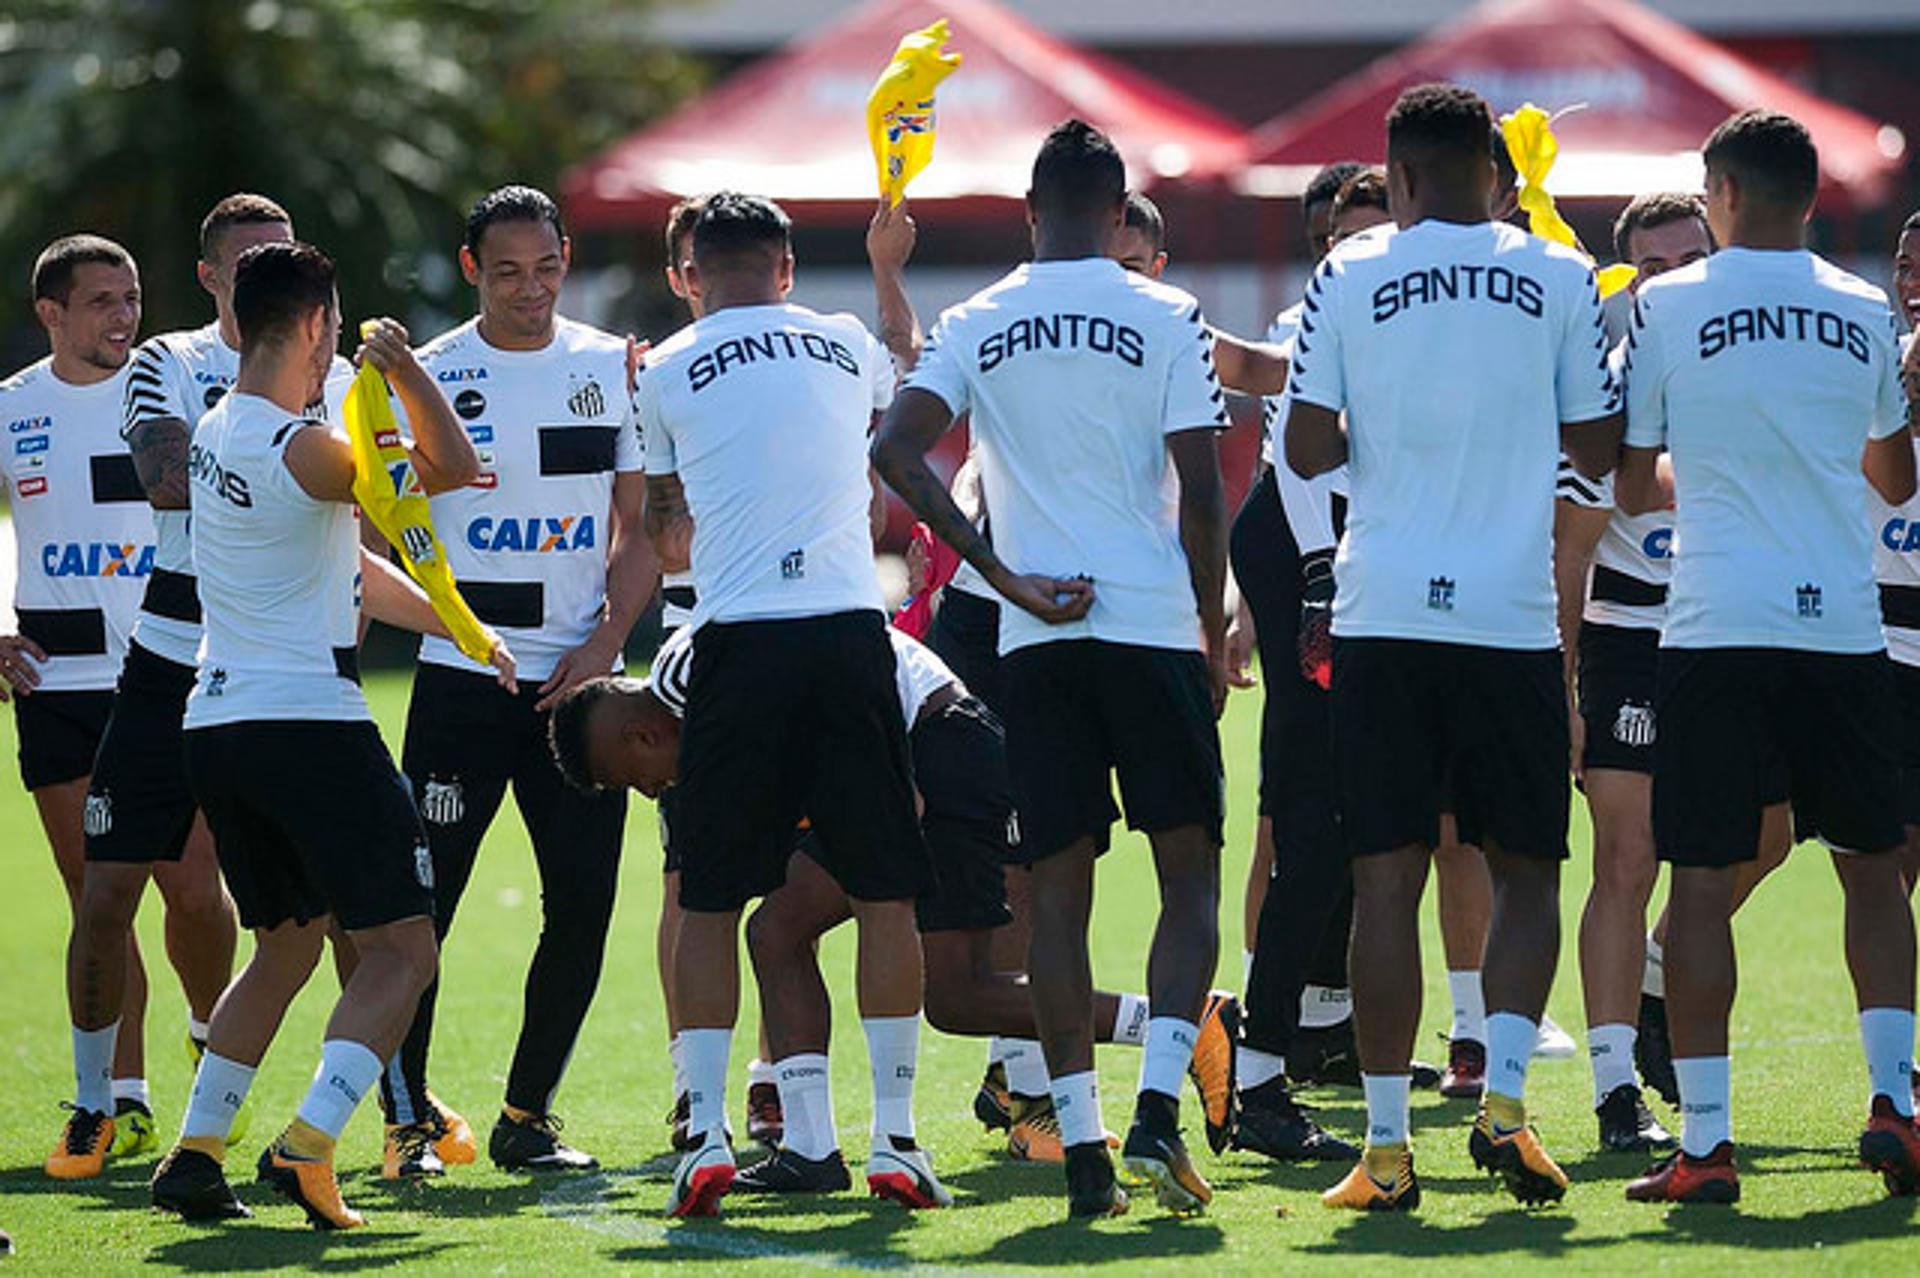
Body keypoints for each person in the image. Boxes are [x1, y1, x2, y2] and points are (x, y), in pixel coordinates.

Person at [874, 120, 1232, 1219]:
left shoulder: (981, 317)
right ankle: (1163, 1110)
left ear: (1030, 213)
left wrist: (1006, 575)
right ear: (1122, 217)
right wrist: (1213, 631)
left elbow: (895, 451)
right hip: (1155, 630)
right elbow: (1206, 491)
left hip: (1039, 641)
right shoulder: (1168, 312)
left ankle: (1082, 1143)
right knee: (1188, 881)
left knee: (1059, 902)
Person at [1286, 83, 1622, 1211]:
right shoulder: (1563, 275)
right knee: (1526, 872)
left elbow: (1307, 442)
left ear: (1405, 176)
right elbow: (1598, 444)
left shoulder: (1349, 271)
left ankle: (1385, 1154)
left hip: (1384, 613)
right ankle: (1509, 1110)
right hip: (1511, 616)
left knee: (1384, 884)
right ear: (1498, 173)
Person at [146, 240, 513, 1228]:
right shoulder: (299, 446)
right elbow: (454, 468)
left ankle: (194, 1152)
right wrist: (407, 368)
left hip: (216, 723)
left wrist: (469, 634)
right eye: (336, 330)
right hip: (309, 721)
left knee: (287, 945)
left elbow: (350, 564)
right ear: (313, 325)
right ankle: (310, 1144)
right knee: (403, 950)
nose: (338, 346)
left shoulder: (220, 428)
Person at [1617, 110, 1920, 1205]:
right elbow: (1895, 478)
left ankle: (1706, 1146)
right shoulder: (1861, 308)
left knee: (1699, 884)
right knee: (1875, 871)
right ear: (1811, 197)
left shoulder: (1665, 305)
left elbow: (1627, 473)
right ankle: (1899, 1103)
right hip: (1841, 625)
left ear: (1724, 194)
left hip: (1715, 623)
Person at [639, 191, 947, 1218]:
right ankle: (896, 1141)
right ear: (785, 269)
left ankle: (703, 1135)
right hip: (848, 633)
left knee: (708, 895)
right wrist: (889, 267)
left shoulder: (665, 372)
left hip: (735, 642)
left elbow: (665, 534)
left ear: (690, 276)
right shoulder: (843, 337)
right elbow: (908, 375)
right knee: (886, 890)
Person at [374, 186, 653, 1180]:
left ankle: (527, 1117)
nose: (528, 290)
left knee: (581, 905)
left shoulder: (614, 369)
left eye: (545, 268)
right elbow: (382, 532)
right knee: (422, 911)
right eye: (505, 272)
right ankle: (407, 1125)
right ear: (468, 270)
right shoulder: (427, 375)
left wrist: (608, 638)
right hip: (460, 682)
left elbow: (643, 533)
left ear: (566, 259)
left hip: (580, 692)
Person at [58, 196, 313, 1179]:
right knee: (107, 888)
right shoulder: (168, 358)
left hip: (284, 662)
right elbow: (163, 477)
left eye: (282, 258)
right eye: (248, 263)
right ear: (211, 277)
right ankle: (94, 1101)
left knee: (320, 906)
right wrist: (297, 463)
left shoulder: (332, 370)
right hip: (169, 655)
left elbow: (377, 497)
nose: (266, 274)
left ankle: (385, 1105)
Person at [2, 234, 197, 1179]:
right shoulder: (12, 410)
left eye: (131, 297)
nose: (123, 316)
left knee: (197, 892)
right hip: (58, 691)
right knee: (96, 905)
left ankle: (211, 1043)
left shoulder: (170, 396)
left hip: (168, 682)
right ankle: (115, 1101)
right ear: (51, 313)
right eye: (100, 302)